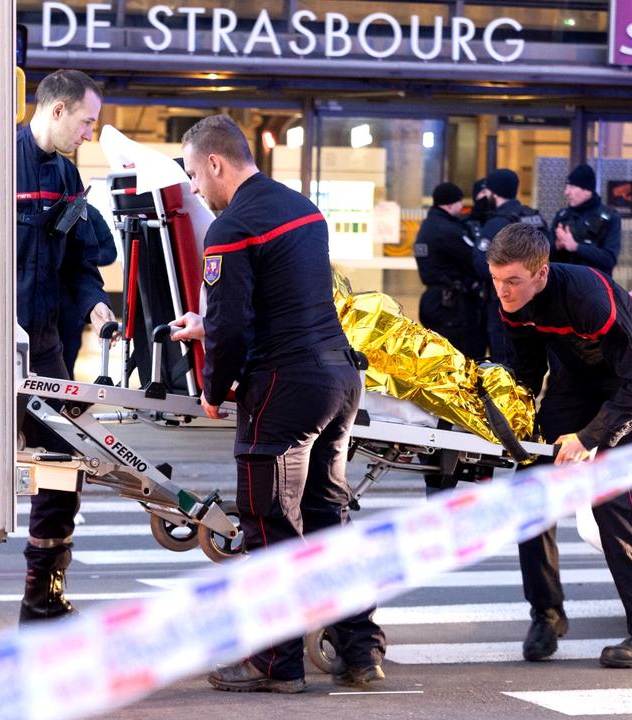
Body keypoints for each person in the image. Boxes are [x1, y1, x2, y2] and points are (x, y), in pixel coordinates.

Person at [168, 114, 385, 693]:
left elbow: (235, 328)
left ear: (215, 163)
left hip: (285, 389)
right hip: (337, 380)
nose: (194, 189)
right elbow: (278, 299)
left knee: (268, 524)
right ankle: (360, 650)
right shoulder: (301, 207)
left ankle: (274, 663)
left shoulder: (231, 227)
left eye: (193, 175)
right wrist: (205, 324)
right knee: (327, 519)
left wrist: (214, 389)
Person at [0, 69, 116, 647]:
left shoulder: (66, 174)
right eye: (86, 121)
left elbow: (80, 266)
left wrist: (94, 308)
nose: (90, 133)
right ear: (58, 111)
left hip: (45, 348)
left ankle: (44, 597)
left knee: (63, 466)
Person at [487, 223, 632, 668]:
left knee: (613, 507)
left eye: (513, 281)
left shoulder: (589, 296)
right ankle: (547, 615)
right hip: (573, 388)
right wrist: (502, 423)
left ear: (542, 273)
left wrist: (591, 438)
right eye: (496, 280)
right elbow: (528, 374)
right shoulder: (514, 303)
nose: (503, 292)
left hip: (627, 391)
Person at [414, 181, 488, 361]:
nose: (462, 206)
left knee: (438, 356)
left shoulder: (428, 225)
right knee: (459, 356)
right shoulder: (447, 231)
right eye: (460, 202)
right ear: (450, 204)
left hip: (432, 300)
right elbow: (473, 257)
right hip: (450, 304)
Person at [479, 168, 546, 366]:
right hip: (538, 301)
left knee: (504, 361)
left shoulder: (496, 223)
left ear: (494, 193)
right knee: (532, 361)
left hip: (505, 303)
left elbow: (478, 262)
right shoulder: (534, 218)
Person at [60, 208, 119, 376]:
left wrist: (84, 258)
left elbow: (110, 251)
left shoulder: (89, 213)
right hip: (40, 298)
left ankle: (68, 399)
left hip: (72, 300)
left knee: (67, 359)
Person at [550, 163, 622, 276]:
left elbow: (609, 259)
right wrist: (556, 246)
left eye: (572, 187)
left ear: (587, 190)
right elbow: (545, 257)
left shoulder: (610, 217)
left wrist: (576, 247)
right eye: (567, 187)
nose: (566, 192)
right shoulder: (562, 216)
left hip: (594, 287)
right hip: (563, 285)